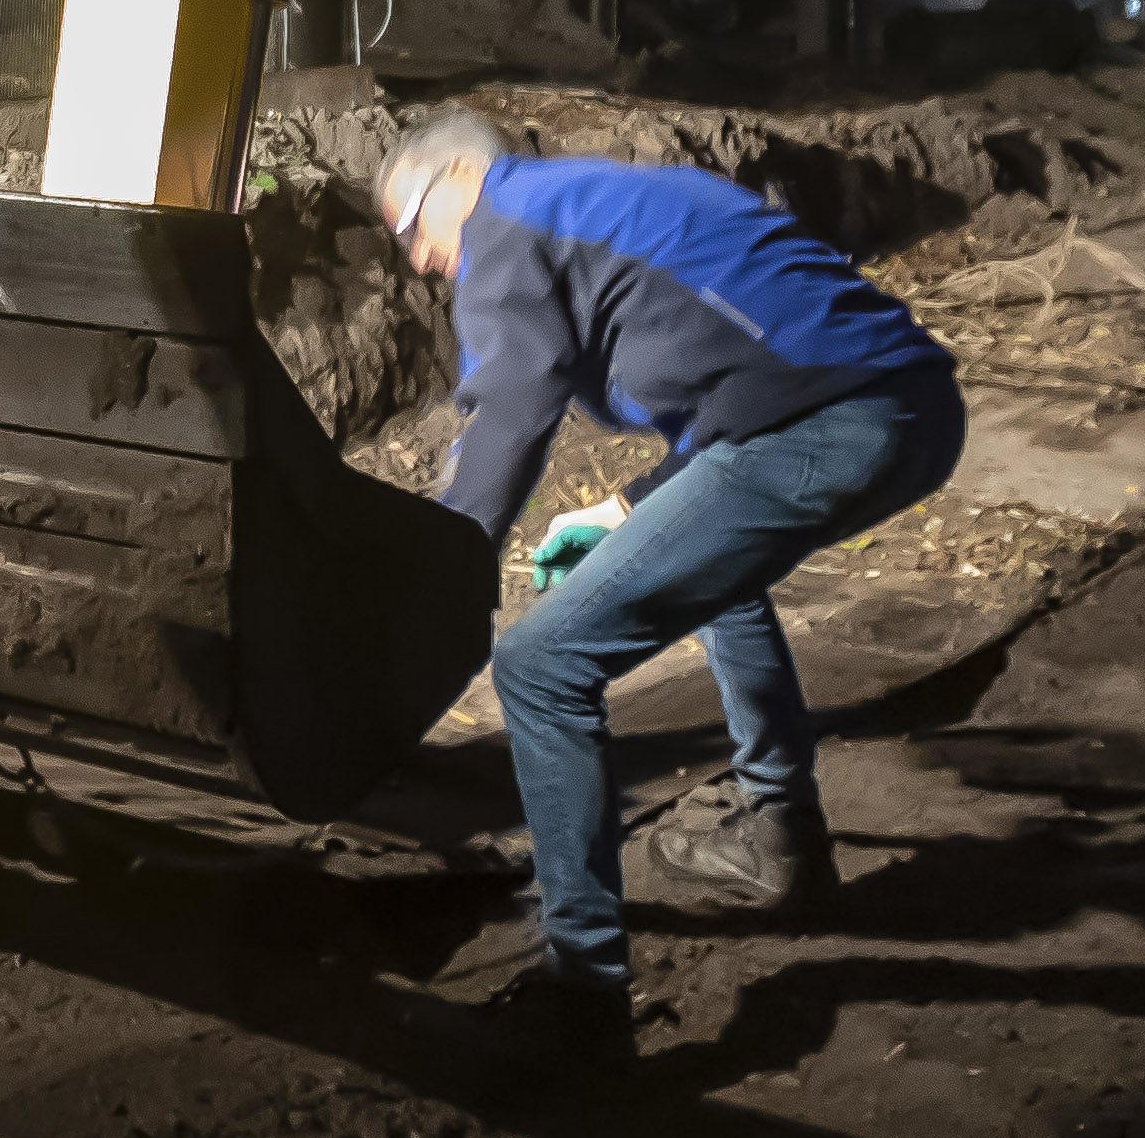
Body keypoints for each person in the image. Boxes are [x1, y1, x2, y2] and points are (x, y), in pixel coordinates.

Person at [373, 111, 969, 1058]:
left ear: (458, 176)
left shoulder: (507, 220)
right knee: (718, 576)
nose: (420, 261)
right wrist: (626, 508)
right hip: (905, 405)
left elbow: (508, 411)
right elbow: (752, 362)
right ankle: (780, 836)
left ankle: (582, 992)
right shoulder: (614, 198)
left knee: (538, 664)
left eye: (412, 226)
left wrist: (434, 576)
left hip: (827, 419)